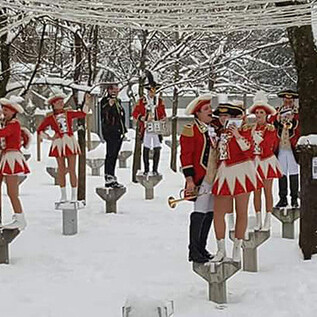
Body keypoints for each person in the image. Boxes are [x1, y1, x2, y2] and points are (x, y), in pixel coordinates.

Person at [212, 102, 263, 262]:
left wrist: (237, 135)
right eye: (220, 116)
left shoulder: (245, 130)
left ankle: (237, 247)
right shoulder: (218, 132)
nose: (223, 119)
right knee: (218, 213)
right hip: (224, 172)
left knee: (242, 211)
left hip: (242, 171)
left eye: (226, 116)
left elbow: (248, 149)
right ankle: (220, 249)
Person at [180, 94, 218, 263]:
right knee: (199, 211)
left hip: (213, 175)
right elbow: (186, 155)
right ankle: (193, 250)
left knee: (209, 212)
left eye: (210, 108)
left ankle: (201, 247)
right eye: (206, 109)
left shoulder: (212, 128)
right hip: (200, 176)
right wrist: (189, 179)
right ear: (197, 114)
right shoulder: (191, 129)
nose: (210, 111)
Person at [37, 91, 91, 202]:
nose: (61, 103)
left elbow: (82, 114)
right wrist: (50, 137)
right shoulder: (50, 118)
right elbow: (40, 130)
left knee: (72, 169)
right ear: (53, 104)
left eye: (62, 101)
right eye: (58, 102)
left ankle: (74, 195)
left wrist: (87, 102)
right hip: (59, 143)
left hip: (70, 141)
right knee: (61, 170)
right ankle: (63, 195)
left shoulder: (69, 113)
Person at [249, 91, 282, 231]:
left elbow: (268, 146)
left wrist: (255, 138)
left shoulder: (270, 128)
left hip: (266, 161)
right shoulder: (251, 128)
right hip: (254, 162)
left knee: (267, 191)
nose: (258, 115)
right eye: (256, 112)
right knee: (256, 191)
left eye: (261, 112)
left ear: (266, 114)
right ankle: (258, 219)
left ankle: (268, 219)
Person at [0, 96, 30, 230]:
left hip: (12, 157)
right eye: (3, 110)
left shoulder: (14, 124)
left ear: (13, 112)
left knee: (12, 192)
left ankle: (20, 218)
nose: (3, 112)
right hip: (5, 156)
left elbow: (3, 134)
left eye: (6, 110)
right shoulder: (7, 124)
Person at [269, 89, 300, 208]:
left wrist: (294, 120)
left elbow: (299, 128)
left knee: (293, 172)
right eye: (286, 100)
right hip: (281, 147)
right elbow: (270, 122)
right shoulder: (277, 112)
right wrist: (277, 120)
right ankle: (282, 198)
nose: (288, 103)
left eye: (290, 101)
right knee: (282, 173)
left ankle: (294, 198)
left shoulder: (297, 113)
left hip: (292, 147)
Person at [132, 74, 166, 176]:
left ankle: (155, 169)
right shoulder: (142, 101)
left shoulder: (159, 101)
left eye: (154, 89)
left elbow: (162, 112)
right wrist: (141, 118)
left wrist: (163, 117)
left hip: (156, 125)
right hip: (146, 126)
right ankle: (146, 169)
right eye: (151, 89)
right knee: (146, 146)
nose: (153, 91)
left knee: (157, 146)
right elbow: (135, 113)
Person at [100, 84, 127, 188]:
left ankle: (112, 175)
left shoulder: (118, 101)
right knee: (110, 154)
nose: (115, 92)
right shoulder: (105, 101)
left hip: (118, 132)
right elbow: (104, 113)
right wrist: (109, 105)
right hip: (110, 132)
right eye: (113, 90)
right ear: (108, 90)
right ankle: (108, 176)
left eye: (117, 90)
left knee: (115, 155)